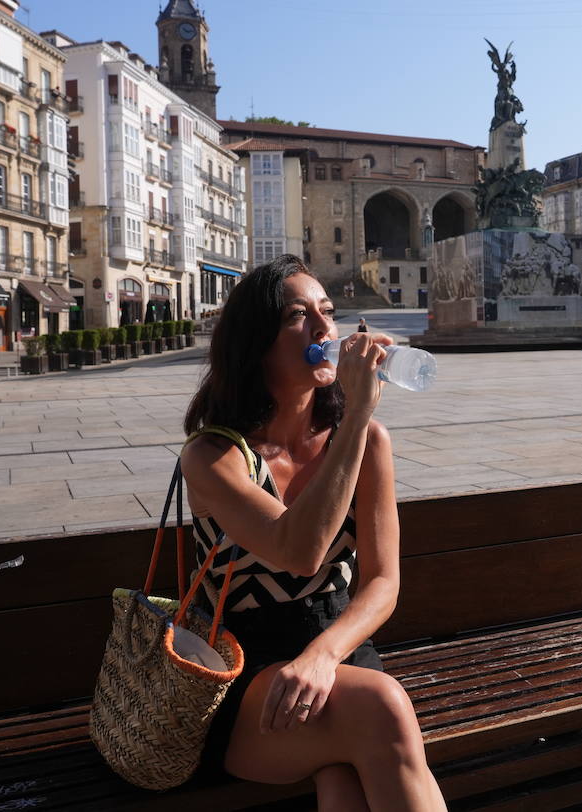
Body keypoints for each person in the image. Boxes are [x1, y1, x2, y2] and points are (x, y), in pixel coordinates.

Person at [180, 255, 446, 810]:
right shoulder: (214, 457)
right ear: (255, 342)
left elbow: (382, 583)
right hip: (244, 672)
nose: (325, 329)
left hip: (340, 649)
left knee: (343, 780)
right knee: (380, 709)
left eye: (328, 312)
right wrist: (354, 419)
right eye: (299, 316)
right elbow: (298, 552)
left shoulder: (365, 441)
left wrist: (324, 655)